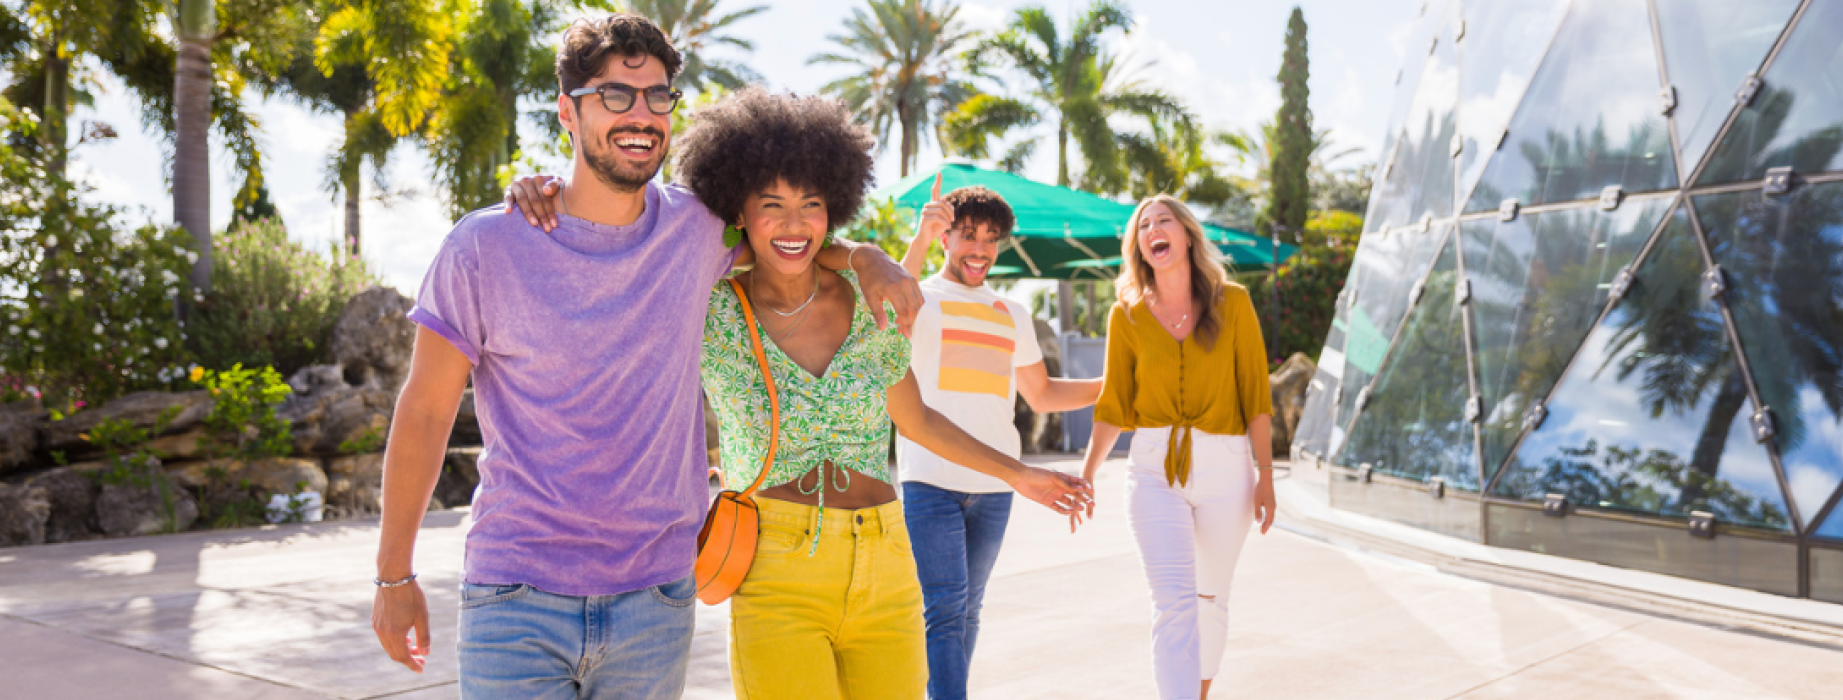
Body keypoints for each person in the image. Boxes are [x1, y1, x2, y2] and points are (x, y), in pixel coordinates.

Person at [369, 15, 920, 700]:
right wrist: (394, 575)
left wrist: (866, 257)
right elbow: (423, 411)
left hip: (655, 600)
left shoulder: (696, 230)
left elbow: (787, 240)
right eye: (616, 96)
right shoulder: (484, 246)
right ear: (568, 112)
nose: (641, 114)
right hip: (516, 597)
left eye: (657, 96)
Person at [509, 87, 1092, 700]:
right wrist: (546, 189)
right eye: (772, 204)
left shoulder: (870, 306)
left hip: (887, 559)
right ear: (738, 210)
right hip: (773, 567)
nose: (794, 225)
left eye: (811, 204)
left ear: (833, 207)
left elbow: (915, 418)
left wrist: (1020, 475)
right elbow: (623, 237)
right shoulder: (707, 306)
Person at [896, 181, 1103, 700]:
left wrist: (1115, 387)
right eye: (967, 235)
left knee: (969, 607)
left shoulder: (1012, 314)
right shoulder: (920, 297)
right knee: (944, 607)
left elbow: (1044, 393)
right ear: (946, 237)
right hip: (930, 482)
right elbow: (887, 299)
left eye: (991, 238)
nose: (981, 249)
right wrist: (920, 235)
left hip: (995, 489)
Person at [1078, 194, 1277, 700]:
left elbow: (1256, 395)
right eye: (1143, 226)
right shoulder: (1127, 316)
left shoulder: (1233, 303)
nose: (1152, 230)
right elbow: (1114, 405)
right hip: (1152, 471)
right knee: (1174, 604)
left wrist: (1266, 476)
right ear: (1139, 248)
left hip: (1227, 468)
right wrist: (1087, 473)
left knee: (1210, 598)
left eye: (1163, 221)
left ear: (1186, 234)